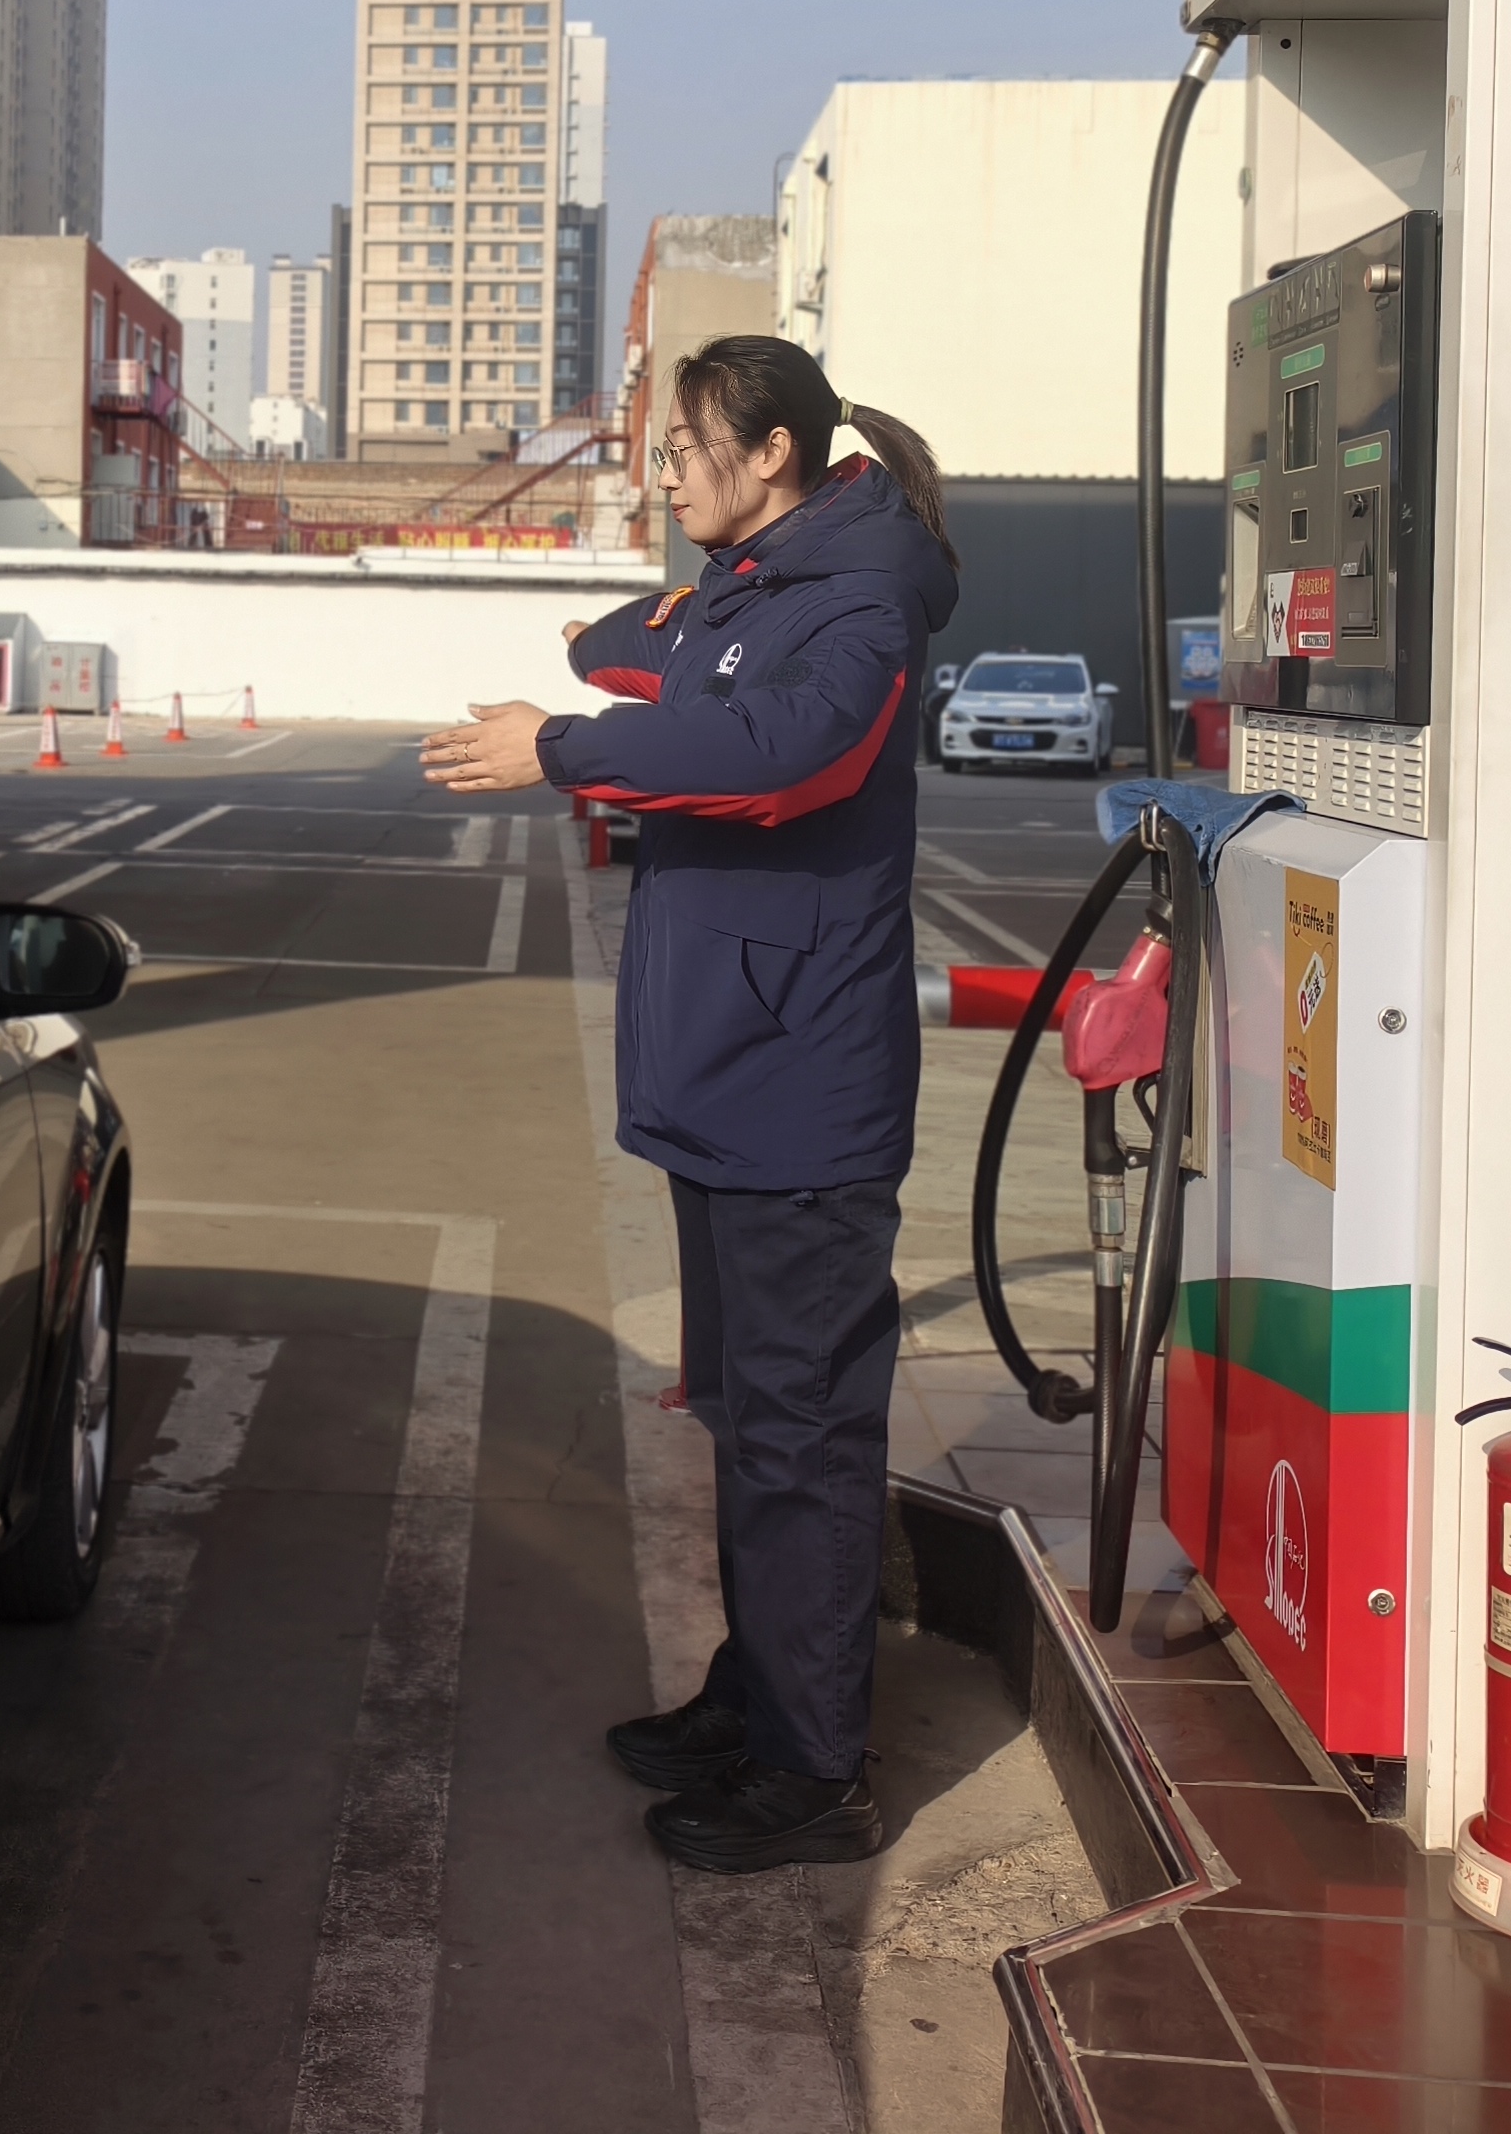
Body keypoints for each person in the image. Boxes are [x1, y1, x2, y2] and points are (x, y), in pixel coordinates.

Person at [421, 334, 958, 1873]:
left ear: (771, 452)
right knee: (744, 1419)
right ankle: (761, 1691)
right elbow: (660, 652)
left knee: (802, 1435)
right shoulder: (751, 587)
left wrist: (558, 745)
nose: (664, 474)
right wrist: (600, 647)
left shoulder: (856, 600)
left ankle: (816, 1770)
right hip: (728, 1082)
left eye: (682, 447)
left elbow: (785, 754)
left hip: (800, 1095)